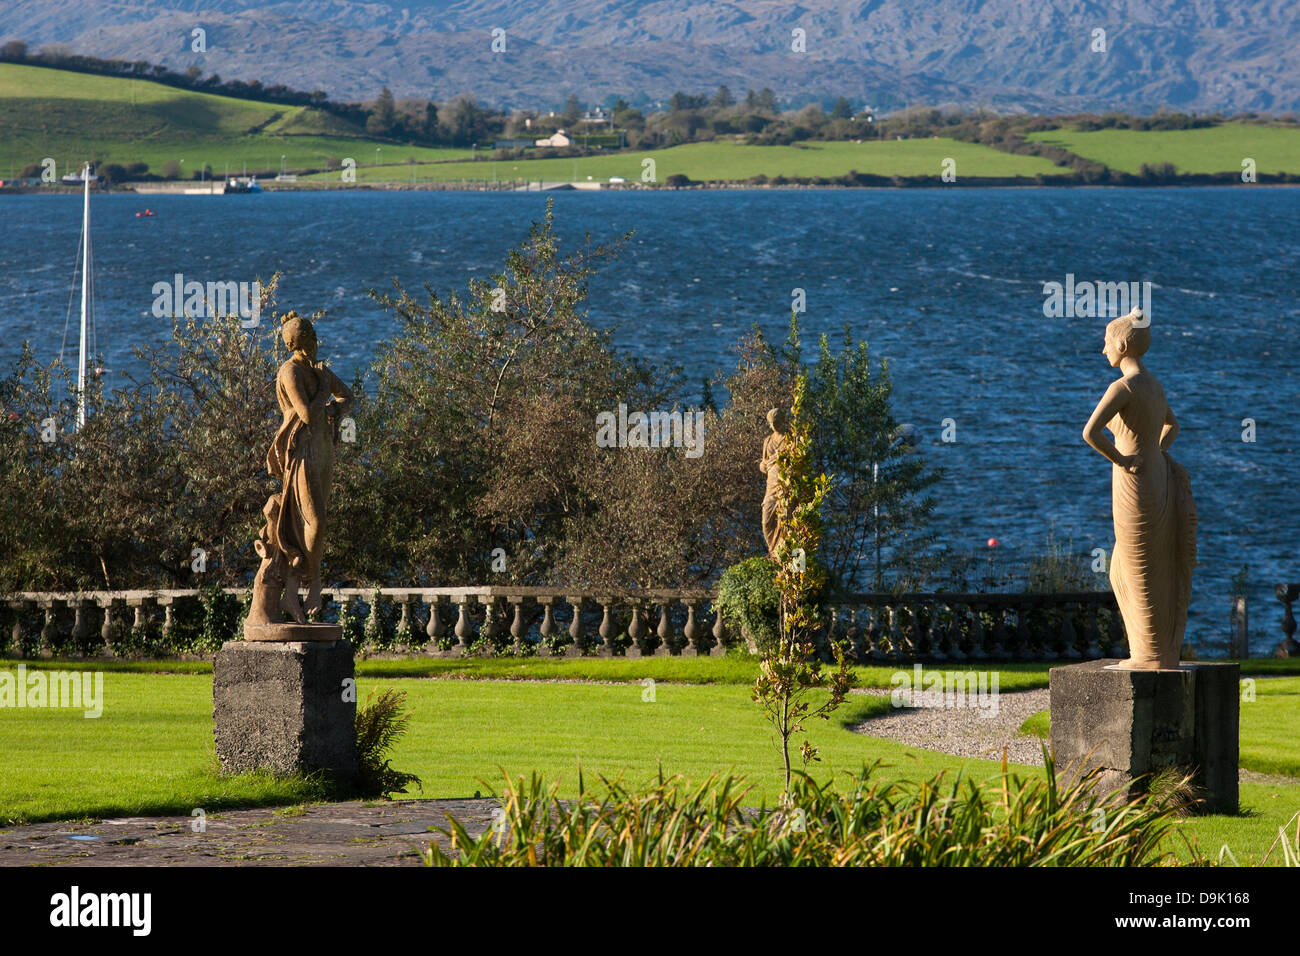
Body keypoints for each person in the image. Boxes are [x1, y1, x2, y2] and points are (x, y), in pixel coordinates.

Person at [1082, 308, 1196, 669]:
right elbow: (1173, 427)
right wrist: (1157, 454)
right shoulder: (1155, 385)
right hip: (1155, 474)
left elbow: (1090, 433)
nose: (1103, 351)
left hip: (1133, 478)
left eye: (1105, 344)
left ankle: (1149, 655)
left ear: (1120, 343)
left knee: (1137, 563)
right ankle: (1154, 650)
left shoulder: (1124, 387)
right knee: (1137, 560)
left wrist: (1121, 458)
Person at [261, 311, 353, 623]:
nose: (314, 346)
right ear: (301, 343)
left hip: (322, 449)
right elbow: (305, 414)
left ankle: (290, 594)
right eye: (310, 341)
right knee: (315, 519)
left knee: (308, 524)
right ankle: (313, 584)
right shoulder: (290, 372)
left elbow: (348, 396)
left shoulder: (315, 369)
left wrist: (333, 407)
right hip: (301, 453)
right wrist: (325, 390)